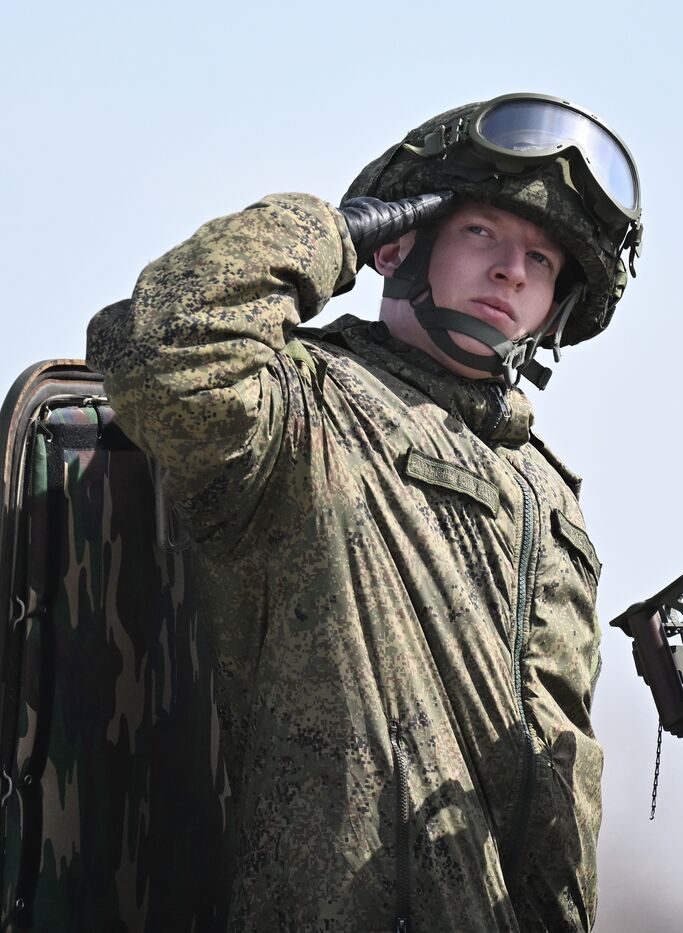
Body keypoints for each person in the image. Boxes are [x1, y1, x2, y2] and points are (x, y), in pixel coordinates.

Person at [86, 93, 642, 932]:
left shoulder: (549, 495)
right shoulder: (307, 408)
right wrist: (336, 232)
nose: (513, 270)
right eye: (481, 231)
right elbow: (164, 347)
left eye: (542, 257)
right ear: (400, 243)